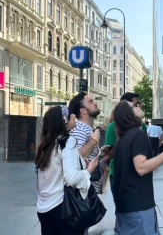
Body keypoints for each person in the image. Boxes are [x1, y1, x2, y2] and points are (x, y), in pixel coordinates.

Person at [112, 101, 163, 235]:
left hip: (124, 206)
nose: (139, 106)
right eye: (135, 105)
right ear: (129, 114)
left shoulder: (121, 139)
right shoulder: (138, 134)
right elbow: (141, 167)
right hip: (139, 206)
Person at [35, 106, 98, 235]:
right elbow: (72, 178)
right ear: (65, 120)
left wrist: (80, 162)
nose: (74, 116)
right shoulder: (68, 141)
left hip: (44, 208)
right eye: (71, 114)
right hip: (63, 208)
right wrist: (89, 170)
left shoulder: (46, 144)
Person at [104, 92, 145, 194]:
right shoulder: (113, 126)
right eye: (135, 105)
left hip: (139, 173)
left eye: (138, 104)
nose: (138, 106)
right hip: (120, 173)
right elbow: (107, 155)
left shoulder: (142, 126)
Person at [68, 92, 102, 194]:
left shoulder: (85, 128)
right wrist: (94, 141)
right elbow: (75, 157)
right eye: (90, 102)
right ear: (83, 110)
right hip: (83, 192)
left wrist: (101, 153)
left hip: (88, 189)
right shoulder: (80, 129)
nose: (95, 103)